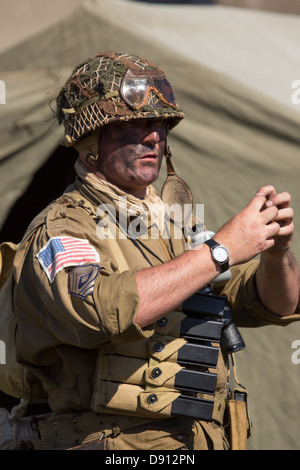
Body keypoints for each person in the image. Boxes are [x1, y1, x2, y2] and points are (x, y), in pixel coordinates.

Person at [2, 51, 300, 451]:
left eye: (159, 124)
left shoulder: (171, 224)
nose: (153, 136)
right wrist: (221, 249)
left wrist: (275, 253)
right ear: (91, 140)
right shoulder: (62, 228)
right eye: (134, 124)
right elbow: (98, 309)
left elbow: (272, 304)